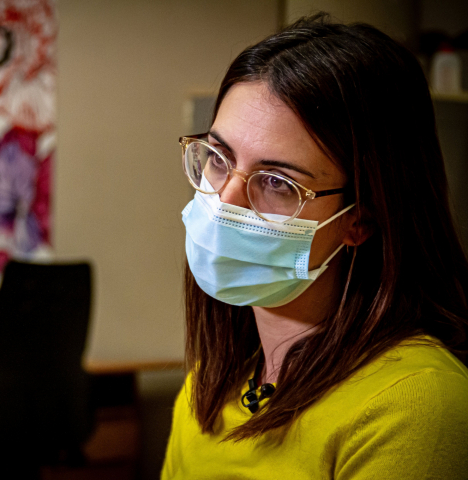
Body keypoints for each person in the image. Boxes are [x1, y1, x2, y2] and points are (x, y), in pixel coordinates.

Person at [161, 14, 468, 479]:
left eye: (277, 182)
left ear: (361, 220)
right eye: (219, 159)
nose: (224, 202)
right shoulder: (206, 387)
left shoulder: (416, 404)